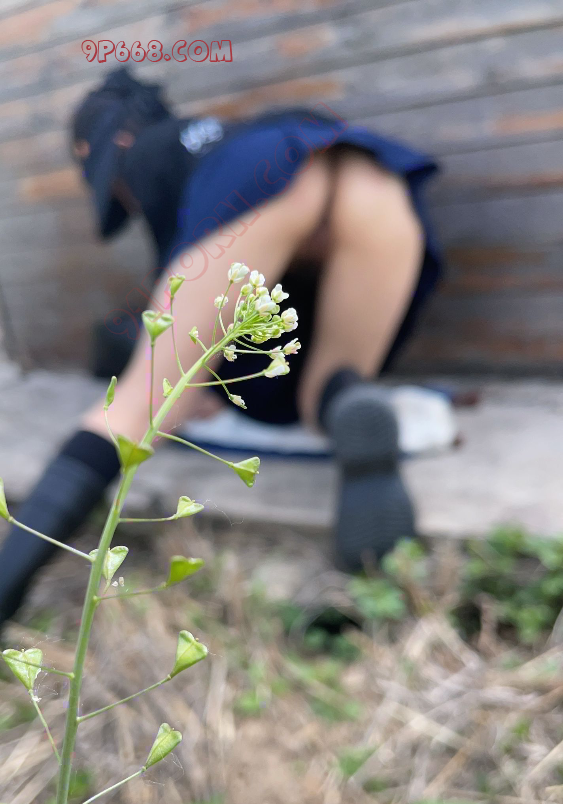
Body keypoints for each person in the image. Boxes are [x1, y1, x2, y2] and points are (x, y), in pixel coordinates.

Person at [0, 68, 442, 629]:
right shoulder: (218, 135)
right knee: (323, 394)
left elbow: (188, 306)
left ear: (111, 146)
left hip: (265, 177)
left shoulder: (149, 157)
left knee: (134, 411)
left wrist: (186, 381)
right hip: (373, 179)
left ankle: (5, 586)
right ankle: (348, 400)